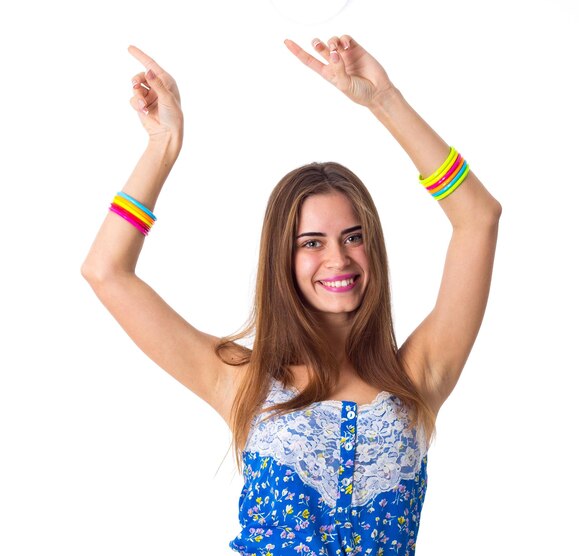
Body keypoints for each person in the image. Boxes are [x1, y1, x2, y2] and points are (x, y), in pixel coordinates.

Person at [81, 34, 501, 556]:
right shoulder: (242, 382)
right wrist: (162, 147)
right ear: (283, 259)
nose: (338, 259)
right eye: (311, 243)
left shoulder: (418, 377)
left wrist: (384, 100)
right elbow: (107, 272)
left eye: (353, 236)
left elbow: (479, 219)